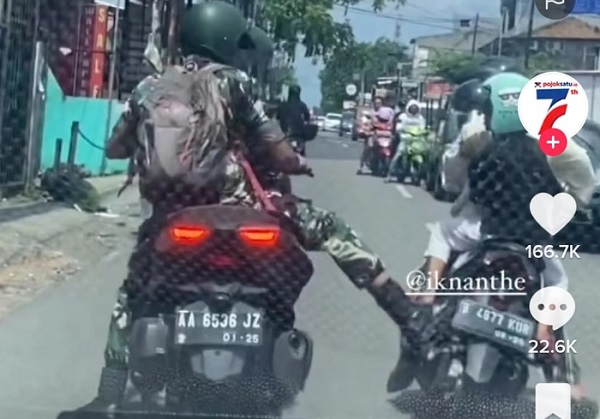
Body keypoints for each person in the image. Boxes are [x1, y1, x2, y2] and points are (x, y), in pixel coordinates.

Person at [84, 1, 427, 412]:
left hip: (170, 214)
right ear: (227, 40)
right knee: (336, 232)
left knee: (132, 290)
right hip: (237, 204)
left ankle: (107, 393)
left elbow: (116, 146)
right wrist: (297, 163)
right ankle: (408, 316)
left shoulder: (150, 87)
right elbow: (278, 154)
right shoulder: (236, 83)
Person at [390, 72, 595, 403]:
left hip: (480, 231)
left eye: (486, 108)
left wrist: (464, 158)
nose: (482, 113)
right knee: (555, 287)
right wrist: (576, 202)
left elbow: (450, 181)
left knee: (441, 234)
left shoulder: (477, 136)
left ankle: (428, 295)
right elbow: (584, 172)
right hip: (532, 242)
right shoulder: (552, 141)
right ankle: (563, 377)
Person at [385, 99, 426, 181]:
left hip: (416, 141)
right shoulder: (402, 116)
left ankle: (420, 175)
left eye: (415, 108)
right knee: (398, 155)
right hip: (404, 139)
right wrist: (404, 131)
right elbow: (398, 128)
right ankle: (389, 174)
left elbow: (422, 128)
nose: (414, 109)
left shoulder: (420, 118)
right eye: (412, 108)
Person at [277, 84, 311, 154]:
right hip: (298, 134)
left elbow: (278, 116)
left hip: (285, 133)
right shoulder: (302, 105)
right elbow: (307, 117)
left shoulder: (284, 105)